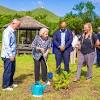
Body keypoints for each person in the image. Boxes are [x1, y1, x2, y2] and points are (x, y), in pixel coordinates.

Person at [1, 19, 21, 91]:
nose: (19, 27)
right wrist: (10, 55)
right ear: (13, 23)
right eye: (18, 25)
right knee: (8, 71)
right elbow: (7, 45)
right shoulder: (7, 31)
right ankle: (5, 86)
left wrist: (13, 54)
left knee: (12, 70)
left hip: (12, 54)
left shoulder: (12, 32)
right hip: (8, 55)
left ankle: (10, 83)